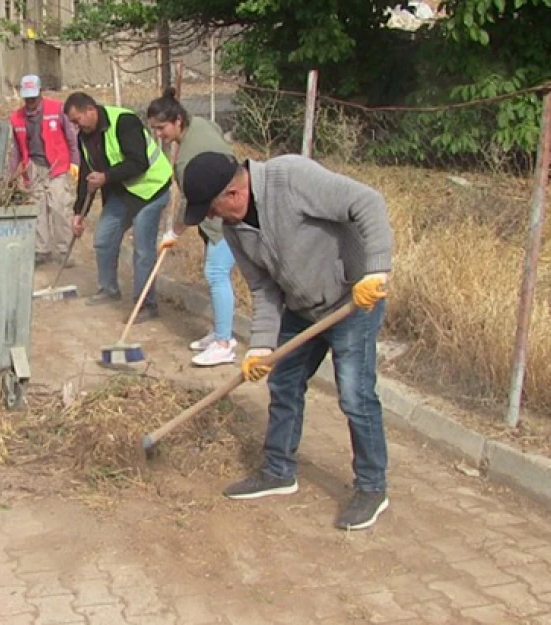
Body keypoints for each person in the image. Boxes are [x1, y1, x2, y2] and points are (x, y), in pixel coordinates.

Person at [180, 151, 393, 531]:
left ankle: (372, 487)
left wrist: (375, 271)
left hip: (352, 301)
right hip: (301, 308)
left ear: (232, 193)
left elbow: (367, 202)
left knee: (355, 396)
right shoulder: (235, 228)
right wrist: (261, 346)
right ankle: (278, 471)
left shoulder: (290, 178)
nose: (211, 218)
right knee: (284, 383)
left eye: (211, 208)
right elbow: (263, 287)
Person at [147, 88, 238, 367]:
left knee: (216, 271)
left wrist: (173, 232)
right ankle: (221, 332)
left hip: (231, 213)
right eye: (153, 129)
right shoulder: (200, 123)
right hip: (224, 207)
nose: (158, 135)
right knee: (215, 272)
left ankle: (224, 344)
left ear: (177, 121)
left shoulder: (188, 161)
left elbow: (191, 203)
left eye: (161, 128)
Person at [64, 92, 172, 321]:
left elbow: (139, 162)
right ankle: (109, 290)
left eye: (76, 120)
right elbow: (87, 173)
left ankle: (145, 305)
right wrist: (78, 212)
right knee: (103, 239)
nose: (75, 126)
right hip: (123, 193)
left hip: (151, 190)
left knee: (143, 251)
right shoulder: (84, 136)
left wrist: (106, 177)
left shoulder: (124, 121)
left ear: (90, 110)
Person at [5, 74, 80, 266]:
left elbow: (72, 140)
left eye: (33, 97)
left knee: (59, 208)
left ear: (40, 93)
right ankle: (41, 249)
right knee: (38, 210)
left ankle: (64, 250)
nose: (30, 102)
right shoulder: (16, 118)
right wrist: (10, 175)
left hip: (57, 166)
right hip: (34, 169)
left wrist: (75, 164)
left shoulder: (58, 109)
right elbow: (16, 150)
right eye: (27, 98)